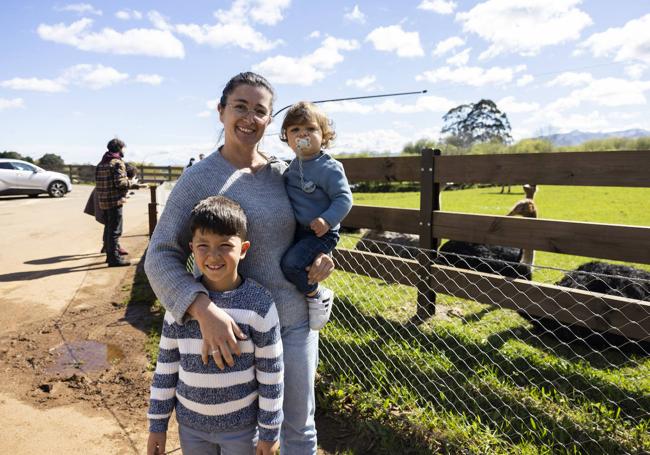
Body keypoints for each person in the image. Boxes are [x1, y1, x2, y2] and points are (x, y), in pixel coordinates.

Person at [145, 72, 335, 455]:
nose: (250, 118)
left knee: (299, 428)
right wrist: (202, 310)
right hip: (230, 334)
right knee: (241, 437)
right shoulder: (198, 180)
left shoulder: (286, 174)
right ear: (221, 112)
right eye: (240, 107)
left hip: (292, 321)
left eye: (260, 111)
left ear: (270, 122)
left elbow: (320, 221)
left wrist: (321, 255)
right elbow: (160, 255)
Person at [147, 195, 283, 455]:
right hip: (190, 428)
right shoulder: (179, 303)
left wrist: (269, 431)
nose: (213, 255)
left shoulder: (259, 304)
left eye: (224, 245)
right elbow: (165, 369)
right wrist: (157, 425)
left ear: (243, 249)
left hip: (243, 430)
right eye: (203, 245)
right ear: (191, 247)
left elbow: (272, 373)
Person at [279, 102, 352, 330]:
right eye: (295, 130)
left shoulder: (328, 167)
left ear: (324, 135)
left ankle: (317, 295)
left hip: (321, 233)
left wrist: (326, 220)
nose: (303, 134)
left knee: (291, 264)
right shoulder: (293, 166)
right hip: (300, 231)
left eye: (310, 129)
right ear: (287, 138)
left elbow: (344, 198)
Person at [95, 138, 138, 267]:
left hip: (103, 201)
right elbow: (120, 183)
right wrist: (132, 182)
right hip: (114, 201)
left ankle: (110, 256)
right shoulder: (117, 163)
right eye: (122, 148)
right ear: (119, 148)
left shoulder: (101, 163)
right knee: (115, 231)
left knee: (109, 229)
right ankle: (114, 259)